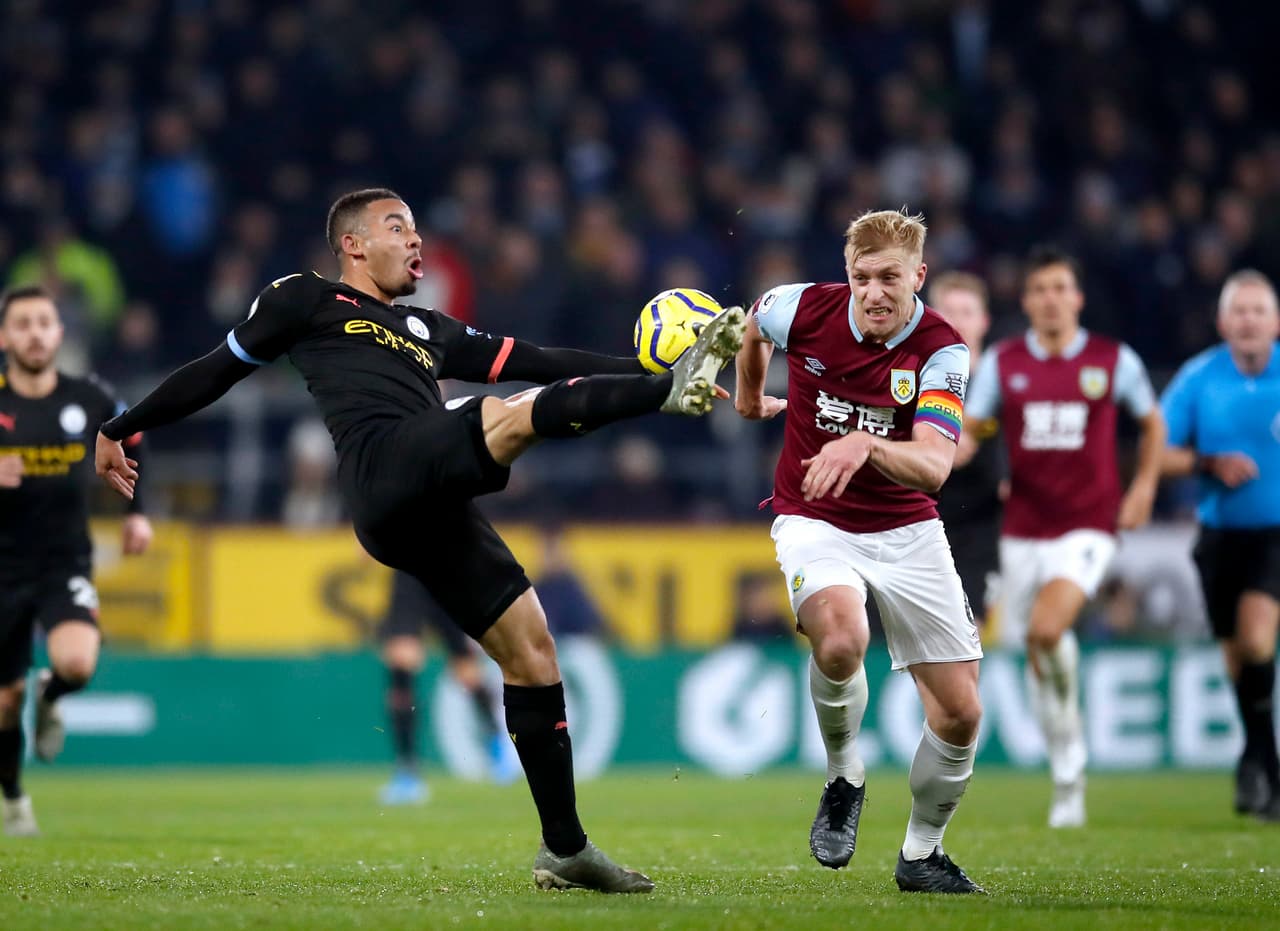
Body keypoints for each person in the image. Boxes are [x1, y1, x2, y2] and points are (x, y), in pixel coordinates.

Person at [94, 188, 746, 892]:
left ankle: (565, 847)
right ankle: (668, 395)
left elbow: (543, 358)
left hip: (433, 500)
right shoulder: (303, 298)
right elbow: (216, 368)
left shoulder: (425, 327)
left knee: (532, 648)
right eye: (397, 228)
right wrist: (122, 424)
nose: (416, 242)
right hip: (382, 466)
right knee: (508, 416)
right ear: (352, 243)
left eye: (415, 230)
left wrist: (651, 370)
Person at [735, 208, 984, 894]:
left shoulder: (942, 350)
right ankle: (845, 776)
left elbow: (935, 466)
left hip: (907, 529)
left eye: (889, 278)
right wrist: (751, 395)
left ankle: (921, 852)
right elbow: (751, 323)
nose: (873, 292)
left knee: (961, 713)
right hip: (814, 517)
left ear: (918, 277)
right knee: (842, 637)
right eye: (860, 277)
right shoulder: (804, 308)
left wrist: (866, 444)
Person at [961, 246, 1165, 828]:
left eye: (1059, 288)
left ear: (1075, 297)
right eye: (1040, 289)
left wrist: (1144, 487)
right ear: (1026, 301)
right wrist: (946, 453)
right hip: (1023, 527)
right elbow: (972, 428)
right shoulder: (1004, 361)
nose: (1050, 298)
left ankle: (1070, 769)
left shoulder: (1111, 360)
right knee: (1034, 651)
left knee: (1047, 629)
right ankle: (1067, 768)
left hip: (1089, 523)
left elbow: (1151, 422)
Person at [0, 284, 152, 837]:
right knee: (2, 702)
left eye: (45, 322)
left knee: (77, 665)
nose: (35, 333)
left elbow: (134, 441)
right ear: (4, 336)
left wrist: (139, 512)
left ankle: (52, 694)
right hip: (2, 572)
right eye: (23, 324)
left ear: (60, 333)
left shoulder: (89, 397)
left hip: (64, 561)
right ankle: (15, 799)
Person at [1159, 269, 1280, 821]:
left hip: (1273, 537)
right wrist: (1209, 462)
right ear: (1223, 321)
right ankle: (1259, 761)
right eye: (1241, 311)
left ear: (1274, 322)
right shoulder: (1198, 377)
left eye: (1259, 310)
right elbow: (1157, 454)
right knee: (1237, 659)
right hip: (1218, 536)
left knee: (1256, 640)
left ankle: (1260, 764)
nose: (1250, 320)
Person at [377, 569, 517, 806]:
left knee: (466, 669)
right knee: (402, 658)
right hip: (410, 570)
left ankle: (498, 745)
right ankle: (408, 772)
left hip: (442, 570)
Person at [928, 272, 1003, 628]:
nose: (956, 320)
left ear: (984, 320)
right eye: (948, 310)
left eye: (966, 311)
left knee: (963, 634)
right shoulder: (909, 377)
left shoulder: (1008, 383)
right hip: (919, 524)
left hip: (983, 533)